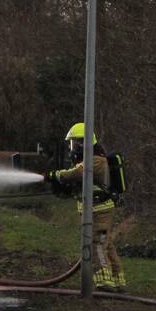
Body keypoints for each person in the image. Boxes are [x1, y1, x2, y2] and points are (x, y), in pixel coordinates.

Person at [45, 123, 126, 291]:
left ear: (84, 143)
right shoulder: (91, 159)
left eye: (74, 143)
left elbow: (77, 173)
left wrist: (56, 175)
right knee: (106, 244)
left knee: (97, 244)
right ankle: (117, 280)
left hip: (99, 211)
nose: (72, 148)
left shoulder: (95, 160)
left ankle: (105, 282)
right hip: (96, 210)